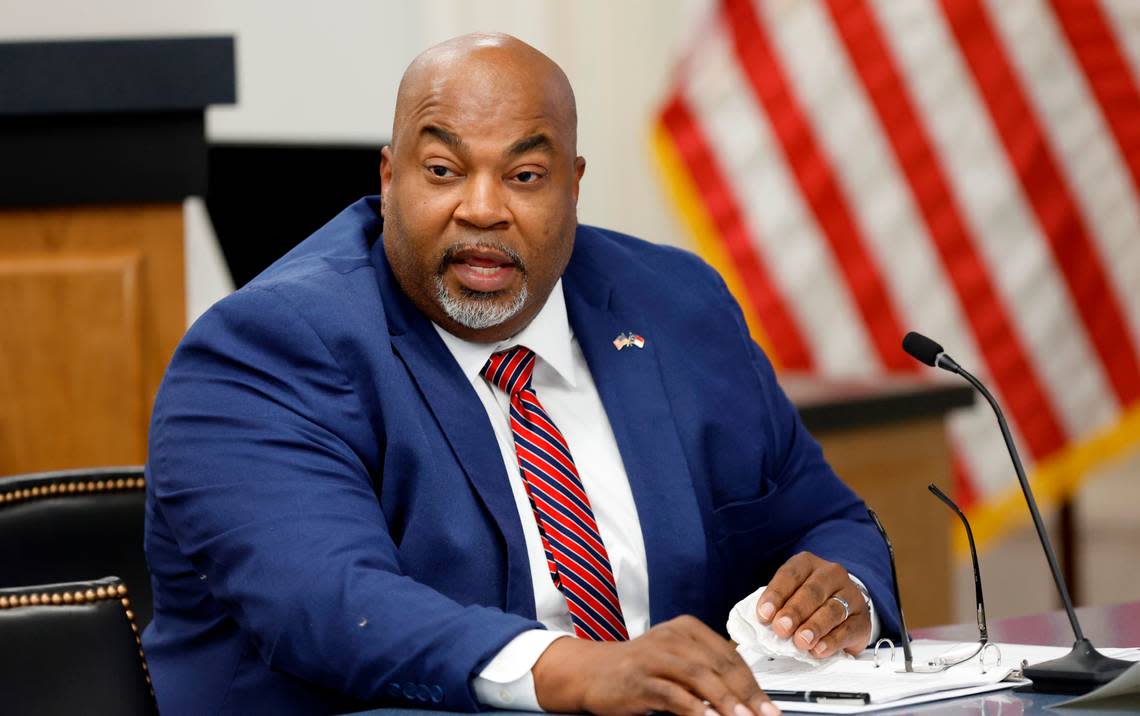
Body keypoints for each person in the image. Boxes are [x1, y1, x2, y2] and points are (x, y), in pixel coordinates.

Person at [142, 33, 899, 716]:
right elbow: (333, 605)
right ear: (389, 175)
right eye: (442, 170)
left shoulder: (675, 306)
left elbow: (828, 519)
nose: (481, 208)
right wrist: (576, 672)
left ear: (573, 185)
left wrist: (843, 591)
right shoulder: (262, 348)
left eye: (525, 175)